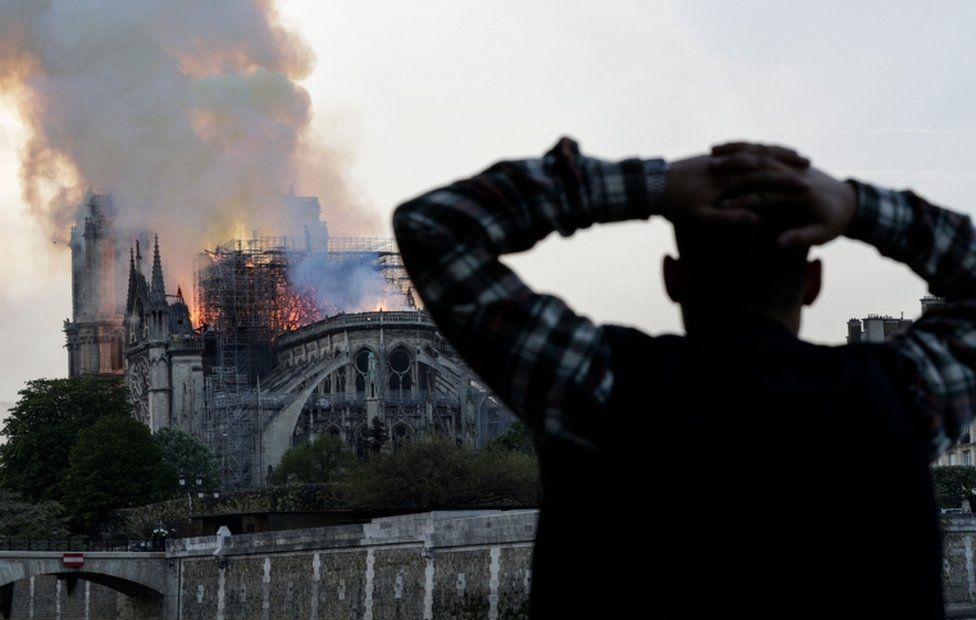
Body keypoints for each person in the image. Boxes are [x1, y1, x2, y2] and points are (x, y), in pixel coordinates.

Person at [392, 138, 975, 618]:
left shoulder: (597, 384)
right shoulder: (903, 396)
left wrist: (653, 185)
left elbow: (435, 225)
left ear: (672, 278)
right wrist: (856, 205)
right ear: (813, 282)